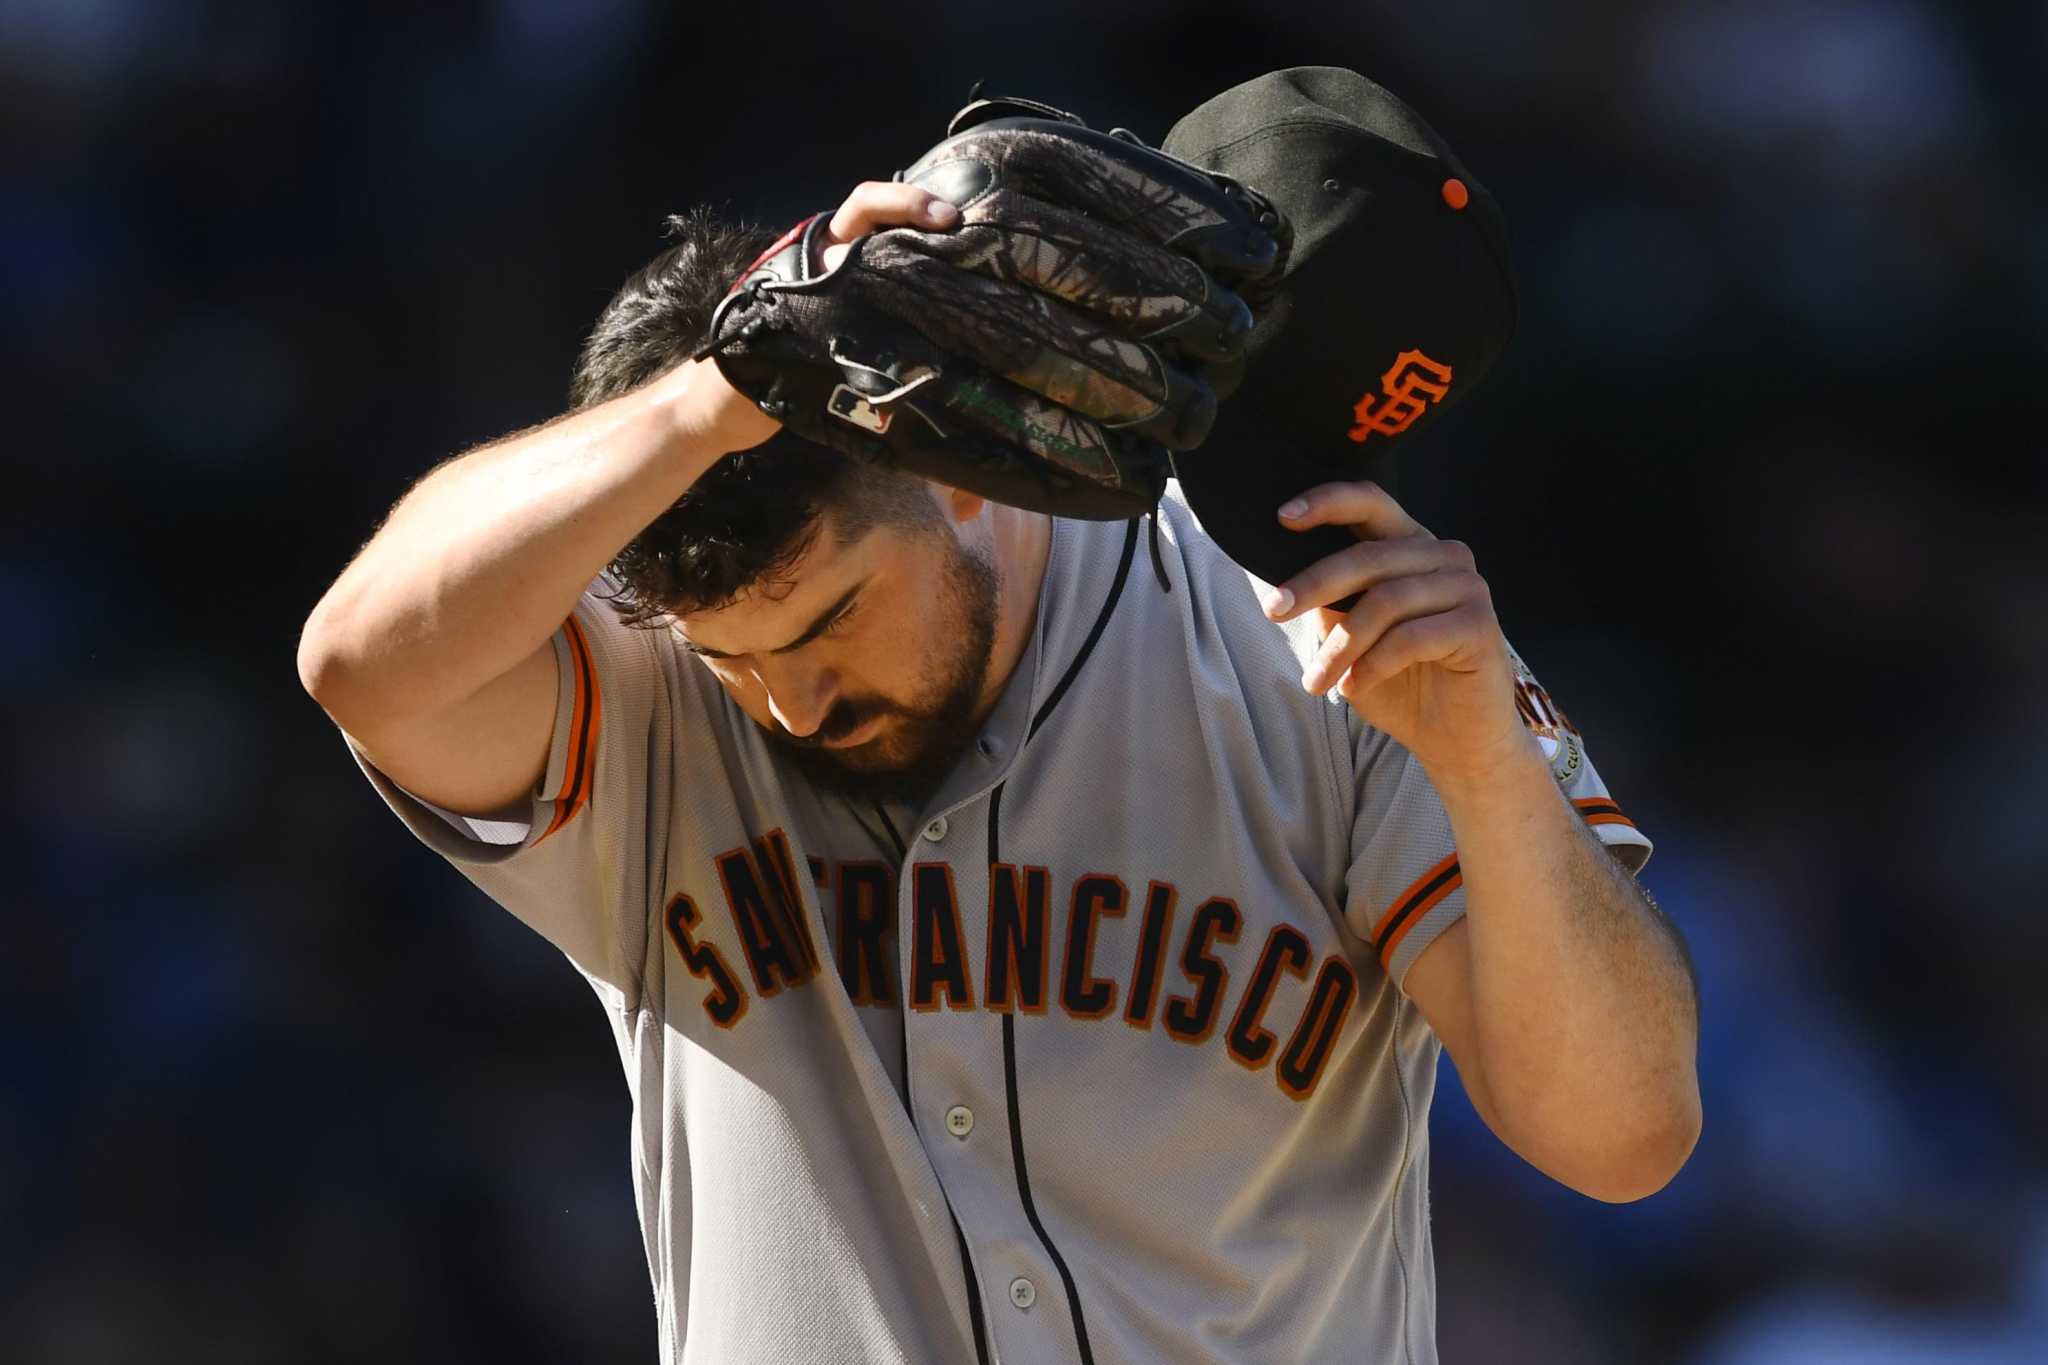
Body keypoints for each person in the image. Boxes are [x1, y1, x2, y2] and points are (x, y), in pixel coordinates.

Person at [298, 85, 1701, 1365]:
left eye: (828, 617)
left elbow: (1627, 1132)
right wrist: (721, 389)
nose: (788, 696)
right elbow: (360, 660)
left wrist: (1480, 761)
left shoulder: (1311, 624)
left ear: (961, 475)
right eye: (736, 657)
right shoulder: (658, 689)